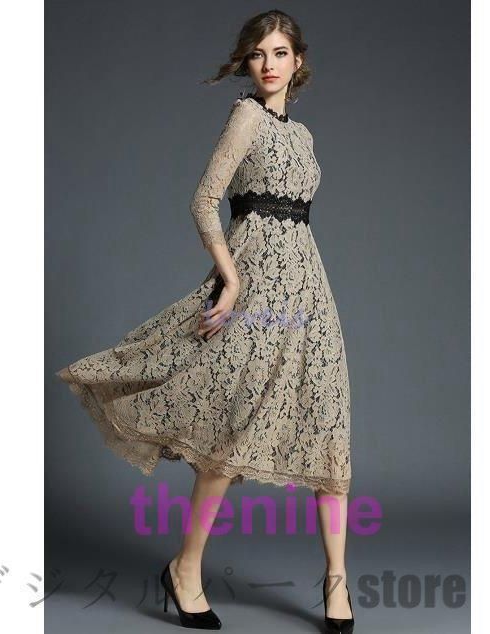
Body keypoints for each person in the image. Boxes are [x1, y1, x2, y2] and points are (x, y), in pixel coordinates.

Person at [56, 9, 354, 632]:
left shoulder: (304, 136)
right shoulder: (246, 116)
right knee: (231, 431)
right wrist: (232, 278)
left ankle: (336, 583)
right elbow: (203, 200)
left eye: (280, 53)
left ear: (298, 61)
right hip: (254, 288)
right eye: (258, 54)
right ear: (247, 62)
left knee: (328, 425)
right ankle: (185, 569)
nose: (268, 64)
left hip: (308, 293)